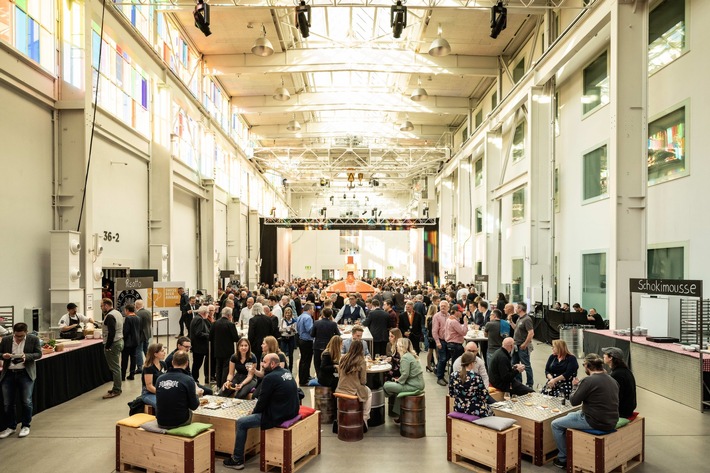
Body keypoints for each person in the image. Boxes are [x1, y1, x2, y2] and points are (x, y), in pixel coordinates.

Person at [223, 353, 300, 470]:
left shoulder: (269, 378)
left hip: (278, 415)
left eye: (264, 362)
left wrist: (252, 412)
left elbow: (262, 402)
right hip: (292, 410)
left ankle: (237, 459)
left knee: (241, 422)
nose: (262, 365)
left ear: (273, 364)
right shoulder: (286, 372)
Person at [551, 354, 619, 469]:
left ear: (587, 366)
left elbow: (574, 401)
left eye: (584, 365)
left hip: (594, 421)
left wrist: (574, 387)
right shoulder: (612, 379)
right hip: (611, 419)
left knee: (555, 424)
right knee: (571, 415)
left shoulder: (588, 381)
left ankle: (563, 459)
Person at [0, 322, 42, 438]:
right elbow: (0, 353)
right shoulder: (6, 340)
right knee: (8, 403)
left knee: (26, 401)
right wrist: (4, 356)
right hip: (8, 373)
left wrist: (26, 356)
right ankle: (11, 427)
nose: (19, 338)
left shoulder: (33, 339)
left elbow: (39, 354)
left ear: (26, 333)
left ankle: (25, 426)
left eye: (21, 336)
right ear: (13, 333)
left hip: (25, 374)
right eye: (16, 336)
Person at [383, 338, 425, 422]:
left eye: (398, 345)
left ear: (401, 347)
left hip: (413, 386)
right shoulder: (410, 355)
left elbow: (405, 374)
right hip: (418, 384)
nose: (397, 347)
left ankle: (389, 396)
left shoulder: (405, 358)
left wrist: (398, 381)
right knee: (399, 392)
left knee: (386, 385)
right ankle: (400, 415)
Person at [156, 350, 200, 429]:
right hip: (179, 422)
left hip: (161, 421)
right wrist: (196, 394)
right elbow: (194, 406)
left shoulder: (160, 379)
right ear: (187, 363)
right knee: (192, 412)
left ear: (172, 362)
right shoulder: (188, 380)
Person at [335, 340, 372, 431]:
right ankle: (364, 418)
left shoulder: (343, 358)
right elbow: (363, 381)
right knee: (369, 393)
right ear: (361, 350)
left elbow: (340, 375)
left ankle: (339, 418)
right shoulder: (361, 361)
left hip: (340, 389)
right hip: (353, 390)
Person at [448, 352, 493, 418]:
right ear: (472, 363)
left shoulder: (453, 375)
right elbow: (484, 396)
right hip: (474, 409)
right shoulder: (476, 377)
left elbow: (451, 394)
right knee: (492, 413)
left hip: (459, 407)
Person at [603, 347, 637, 418]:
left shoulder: (617, 374)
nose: (603, 355)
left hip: (622, 412)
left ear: (610, 358)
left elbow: (615, 397)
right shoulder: (625, 371)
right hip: (628, 408)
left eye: (605, 354)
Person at [211, 307, 240, 386]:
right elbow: (236, 338)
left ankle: (218, 385)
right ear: (230, 315)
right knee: (226, 368)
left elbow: (210, 336)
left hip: (217, 349)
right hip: (228, 350)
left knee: (218, 367)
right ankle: (223, 385)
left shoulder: (215, 323)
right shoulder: (230, 324)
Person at [102, 298, 124, 399]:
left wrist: (107, 346)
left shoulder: (110, 316)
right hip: (119, 341)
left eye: (101, 306)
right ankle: (117, 387)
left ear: (106, 305)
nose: (101, 308)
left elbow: (112, 332)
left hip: (113, 343)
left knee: (115, 368)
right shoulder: (117, 312)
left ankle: (116, 389)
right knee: (116, 367)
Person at [311, 307, 340, 375]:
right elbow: (338, 334)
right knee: (327, 363)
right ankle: (326, 377)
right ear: (331, 315)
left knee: (317, 363)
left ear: (322, 313)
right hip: (328, 346)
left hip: (318, 346)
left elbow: (312, 334)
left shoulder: (316, 323)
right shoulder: (333, 324)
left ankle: (318, 376)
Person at [511, 302, 534, 387]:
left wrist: (525, 344)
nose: (515, 309)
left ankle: (529, 383)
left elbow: (531, 333)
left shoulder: (527, 319)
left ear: (520, 309)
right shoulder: (519, 318)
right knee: (515, 364)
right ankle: (518, 381)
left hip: (522, 346)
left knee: (526, 365)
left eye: (517, 307)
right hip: (516, 345)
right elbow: (516, 328)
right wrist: (510, 322)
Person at [248, 303, 275, 369]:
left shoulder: (252, 320)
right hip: (267, 343)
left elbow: (251, 335)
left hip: (256, 345)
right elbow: (272, 331)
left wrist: (249, 344)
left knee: (256, 361)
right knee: (267, 360)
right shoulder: (268, 319)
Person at [140, 343, 167, 410]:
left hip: (161, 390)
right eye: (162, 351)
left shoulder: (163, 364)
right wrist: (162, 393)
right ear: (155, 354)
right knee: (161, 405)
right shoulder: (149, 367)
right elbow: (149, 386)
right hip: (149, 393)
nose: (164, 353)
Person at [190, 306, 212, 384]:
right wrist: (209, 335)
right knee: (197, 364)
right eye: (208, 312)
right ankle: (194, 379)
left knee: (197, 364)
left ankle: (194, 379)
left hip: (198, 346)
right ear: (204, 312)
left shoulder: (197, 318)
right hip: (199, 347)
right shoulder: (199, 319)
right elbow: (198, 333)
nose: (208, 314)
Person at [444, 306, 468, 376]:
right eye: (460, 311)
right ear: (455, 311)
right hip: (455, 345)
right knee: (455, 364)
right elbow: (463, 332)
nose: (461, 313)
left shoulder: (449, 319)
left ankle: (452, 379)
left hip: (450, 344)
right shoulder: (454, 321)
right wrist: (465, 322)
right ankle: (453, 379)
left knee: (454, 363)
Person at [296, 302, 315, 386]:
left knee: (304, 360)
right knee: (306, 360)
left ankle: (306, 376)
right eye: (313, 309)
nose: (314, 311)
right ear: (309, 309)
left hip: (301, 339)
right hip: (307, 340)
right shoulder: (308, 318)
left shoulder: (300, 316)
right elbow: (310, 330)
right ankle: (303, 380)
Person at [121, 304, 141, 381]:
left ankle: (122, 376)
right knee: (133, 358)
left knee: (125, 359)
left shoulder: (128, 318)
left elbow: (126, 331)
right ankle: (132, 374)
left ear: (127, 310)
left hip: (128, 342)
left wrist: (123, 338)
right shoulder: (138, 318)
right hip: (136, 341)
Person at [432, 301, 450, 386]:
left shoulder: (450, 316)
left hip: (449, 340)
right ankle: (440, 377)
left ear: (448, 307)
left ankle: (437, 368)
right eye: (441, 306)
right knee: (442, 359)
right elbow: (434, 331)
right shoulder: (437, 316)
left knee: (446, 357)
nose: (443, 307)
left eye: (444, 306)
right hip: (441, 340)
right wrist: (437, 342)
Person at [135, 300, 152, 371]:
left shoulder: (137, 314)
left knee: (138, 350)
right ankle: (150, 363)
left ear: (136, 306)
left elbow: (137, 326)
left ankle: (139, 367)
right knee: (146, 349)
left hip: (140, 335)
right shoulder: (148, 312)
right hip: (147, 334)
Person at [279, 306, 298, 372]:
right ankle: (283, 368)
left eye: (289, 313)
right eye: (286, 313)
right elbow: (280, 330)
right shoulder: (282, 320)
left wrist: (292, 329)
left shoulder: (294, 321)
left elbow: (296, 331)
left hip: (291, 338)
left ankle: (290, 369)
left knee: (291, 354)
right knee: (282, 353)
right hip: (284, 338)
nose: (287, 314)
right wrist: (286, 329)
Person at [424, 304, 438, 373]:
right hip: (433, 336)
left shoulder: (428, 317)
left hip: (430, 336)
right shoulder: (433, 318)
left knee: (430, 351)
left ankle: (429, 365)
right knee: (436, 351)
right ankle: (437, 365)